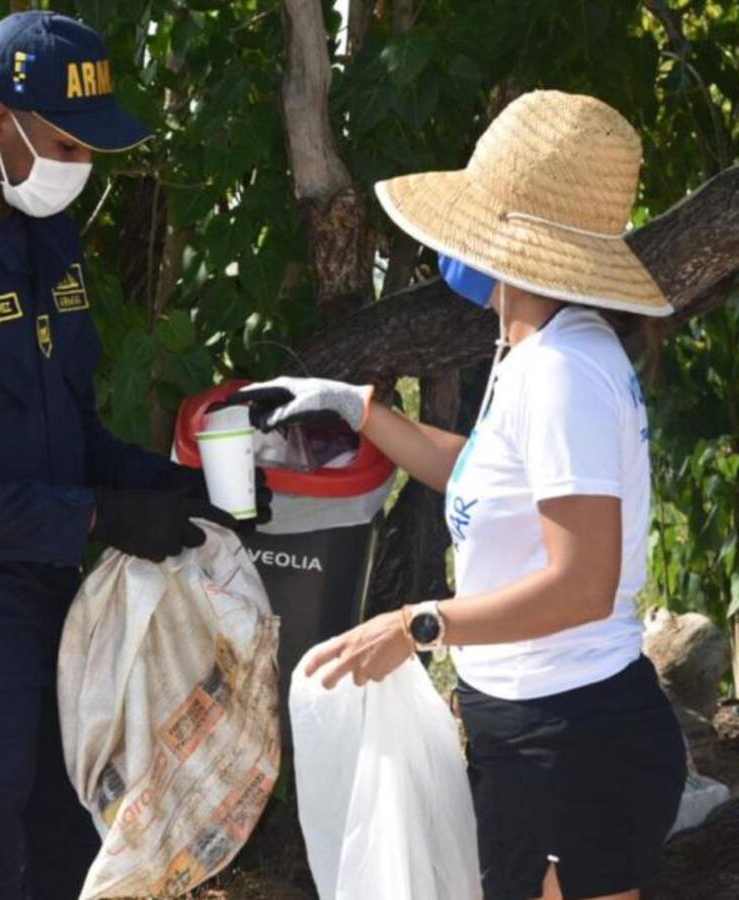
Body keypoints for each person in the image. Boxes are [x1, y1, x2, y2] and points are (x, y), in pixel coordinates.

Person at [0, 13, 270, 900]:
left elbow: (72, 435)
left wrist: (177, 492)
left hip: (52, 628)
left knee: (65, 867)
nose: (85, 167)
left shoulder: (44, 240)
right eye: (69, 143)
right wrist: (97, 518)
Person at [235, 90, 686, 900]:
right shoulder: (531, 347)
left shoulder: (562, 374)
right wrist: (362, 412)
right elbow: (486, 479)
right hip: (533, 729)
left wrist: (419, 625)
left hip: (572, 741)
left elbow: (582, 584)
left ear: (517, 248)